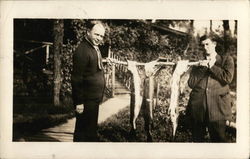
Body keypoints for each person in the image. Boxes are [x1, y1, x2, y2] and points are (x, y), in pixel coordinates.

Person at [187, 34, 234, 142]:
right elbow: (191, 83)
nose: (205, 47)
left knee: (219, 140)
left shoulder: (226, 60)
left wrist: (212, 66)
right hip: (198, 109)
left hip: (218, 108)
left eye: (207, 44)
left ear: (214, 44)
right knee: (197, 140)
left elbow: (228, 78)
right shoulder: (198, 62)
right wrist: (202, 68)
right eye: (203, 45)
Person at [71, 20, 106, 142]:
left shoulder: (93, 48)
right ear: (88, 32)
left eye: (101, 36)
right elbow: (76, 78)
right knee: (83, 132)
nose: (99, 38)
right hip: (85, 100)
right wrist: (79, 102)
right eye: (97, 34)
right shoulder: (82, 51)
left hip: (93, 99)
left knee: (89, 131)